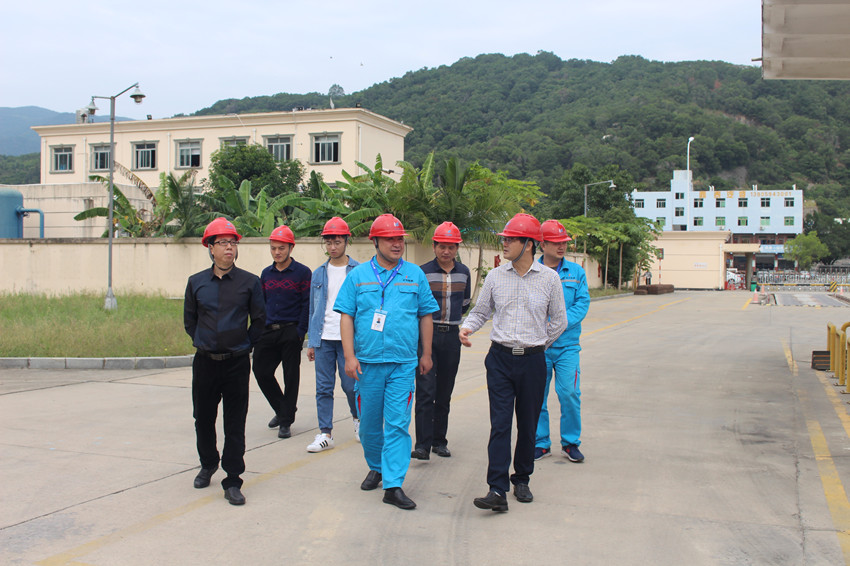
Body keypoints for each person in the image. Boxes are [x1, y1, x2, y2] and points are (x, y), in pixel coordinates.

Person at [459, 213, 567, 512]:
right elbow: (481, 311)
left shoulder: (549, 279)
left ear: (529, 244)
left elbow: (560, 320)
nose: (504, 244)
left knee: (528, 424)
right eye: (504, 239)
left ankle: (522, 479)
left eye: (510, 239)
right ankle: (497, 488)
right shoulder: (495, 276)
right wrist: (467, 328)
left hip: (533, 362)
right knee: (500, 424)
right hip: (500, 360)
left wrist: (538, 345)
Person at [334, 214, 439, 510]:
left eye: (399, 239)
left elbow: (426, 314)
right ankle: (377, 467)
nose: (397, 244)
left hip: (402, 364)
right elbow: (346, 316)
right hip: (366, 365)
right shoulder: (358, 276)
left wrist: (426, 353)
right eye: (390, 239)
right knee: (369, 426)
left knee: (397, 424)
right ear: (375, 242)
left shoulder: (415, 274)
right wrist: (349, 356)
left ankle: (393, 484)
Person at [184, 217, 265, 506]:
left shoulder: (250, 282)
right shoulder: (196, 283)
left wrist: (243, 344)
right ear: (210, 248)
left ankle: (232, 479)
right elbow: (190, 321)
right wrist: (205, 341)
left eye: (233, 243)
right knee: (203, 418)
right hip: (205, 362)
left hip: (236, 363)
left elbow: (259, 321)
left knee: (234, 421)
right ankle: (208, 463)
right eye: (223, 243)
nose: (229, 247)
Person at [412, 221, 471, 460]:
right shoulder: (422, 272)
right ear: (434, 246)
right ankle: (422, 445)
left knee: (445, 391)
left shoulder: (464, 272)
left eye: (451, 247)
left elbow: (465, 303)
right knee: (426, 391)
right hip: (428, 336)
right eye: (442, 246)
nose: (446, 251)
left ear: (457, 248)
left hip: (452, 337)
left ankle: (439, 441)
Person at [533, 220, 591, 463]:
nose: (561, 247)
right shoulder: (532, 272)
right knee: (537, 396)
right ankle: (540, 442)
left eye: (564, 243)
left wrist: (560, 323)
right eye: (556, 243)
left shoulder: (576, 272)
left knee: (569, 393)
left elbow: (583, 303)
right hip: (539, 347)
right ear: (542, 244)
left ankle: (570, 442)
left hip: (567, 346)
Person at [305, 217, 360, 453]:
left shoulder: (358, 271)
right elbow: (313, 308)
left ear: (346, 241)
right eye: (328, 243)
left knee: (351, 386)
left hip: (349, 339)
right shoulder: (318, 273)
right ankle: (325, 433)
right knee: (323, 388)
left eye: (337, 242)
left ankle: (359, 420)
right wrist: (311, 341)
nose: (333, 247)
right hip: (324, 338)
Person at [252, 225, 311, 439]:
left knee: (290, 376)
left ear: (291, 248)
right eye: (273, 248)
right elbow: (261, 304)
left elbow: (307, 304)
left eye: (281, 248)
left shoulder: (303, 273)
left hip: (290, 331)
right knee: (261, 371)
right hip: (268, 331)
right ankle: (284, 409)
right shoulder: (266, 274)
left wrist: (300, 332)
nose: (277, 252)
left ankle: (285, 422)